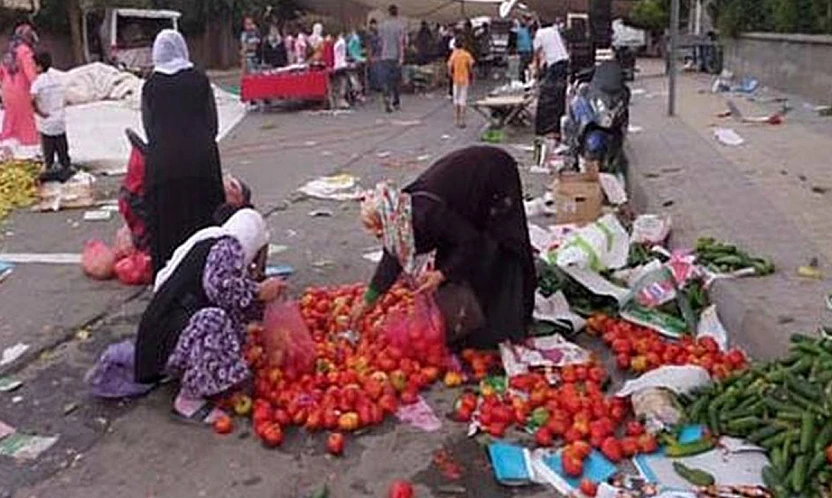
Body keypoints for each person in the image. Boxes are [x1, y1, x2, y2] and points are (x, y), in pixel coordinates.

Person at [352, 146, 536, 350]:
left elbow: (470, 242)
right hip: (465, 194)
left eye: (380, 231)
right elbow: (391, 258)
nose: (380, 237)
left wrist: (441, 274)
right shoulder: (401, 218)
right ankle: (473, 324)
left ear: (389, 221)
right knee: (457, 262)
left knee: (497, 251)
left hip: (494, 176)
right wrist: (367, 302)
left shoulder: (427, 213)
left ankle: (505, 325)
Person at [134, 208, 286, 423]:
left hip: (170, 334)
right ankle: (188, 401)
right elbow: (218, 288)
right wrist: (258, 291)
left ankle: (198, 374)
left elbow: (225, 297)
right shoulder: (228, 247)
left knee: (226, 323)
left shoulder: (216, 242)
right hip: (168, 337)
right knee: (214, 320)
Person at [142, 30, 225, 276]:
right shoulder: (199, 80)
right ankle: (209, 277)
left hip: (163, 166)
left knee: (167, 227)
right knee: (204, 222)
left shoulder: (151, 86)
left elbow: (148, 127)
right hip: (201, 163)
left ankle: (169, 283)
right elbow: (213, 124)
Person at [30, 51, 72, 182]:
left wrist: (39, 112)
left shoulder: (38, 82)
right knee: (62, 147)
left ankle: (50, 172)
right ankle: (65, 170)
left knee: (49, 151)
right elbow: (66, 95)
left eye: (34, 65)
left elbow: (32, 99)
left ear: (39, 66)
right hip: (59, 119)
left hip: (46, 121)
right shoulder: (58, 77)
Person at [0, 23, 39, 148]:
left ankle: (7, 144)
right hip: (21, 91)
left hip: (7, 91)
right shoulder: (25, 52)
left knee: (10, 120)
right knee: (25, 121)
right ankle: (29, 146)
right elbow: (30, 73)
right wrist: (37, 88)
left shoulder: (9, 52)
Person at [533, 20, 569, 138]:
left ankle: (546, 129)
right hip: (564, 62)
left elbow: (537, 55)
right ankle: (556, 127)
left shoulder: (540, 33)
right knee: (559, 95)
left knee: (549, 97)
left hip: (555, 65)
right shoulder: (554, 31)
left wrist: (537, 73)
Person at [377, 4, 407, 113]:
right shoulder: (400, 26)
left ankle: (386, 99)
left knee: (386, 80)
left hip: (384, 56)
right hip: (395, 56)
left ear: (388, 13)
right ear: (397, 13)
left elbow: (380, 43)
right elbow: (401, 43)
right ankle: (396, 102)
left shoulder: (382, 26)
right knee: (396, 81)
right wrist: (401, 58)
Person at [447, 39, 475, 129]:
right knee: (463, 100)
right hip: (464, 80)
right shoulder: (466, 54)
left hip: (456, 80)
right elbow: (470, 66)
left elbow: (449, 65)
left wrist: (450, 74)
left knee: (456, 100)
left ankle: (457, 120)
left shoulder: (454, 54)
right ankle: (463, 121)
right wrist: (471, 75)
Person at [515, 18, 533, 82]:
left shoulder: (520, 30)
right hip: (526, 49)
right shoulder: (525, 30)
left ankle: (524, 77)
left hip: (524, 50)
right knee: (526, 64)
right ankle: (524, 77)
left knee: (524, 64)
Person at [367, 19, 382, 92]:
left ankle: (377, 85)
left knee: (376, 71)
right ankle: (376, 86)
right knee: (375, 70)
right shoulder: (371, 34)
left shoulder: (375, 34)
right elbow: (370, 46)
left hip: (377, 55)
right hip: (375, 55)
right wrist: (370, 56)